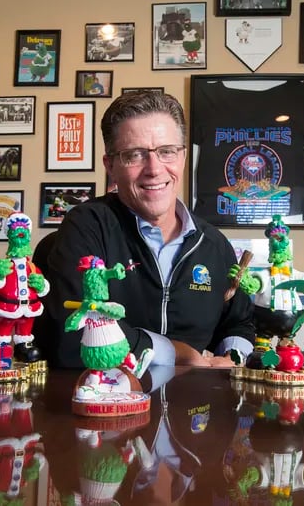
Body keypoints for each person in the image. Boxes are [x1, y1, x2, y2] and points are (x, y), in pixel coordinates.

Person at [34, 91, 254, 369]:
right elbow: (77, 329)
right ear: (110, 166)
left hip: (196, 395)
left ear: (183, 157)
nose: (154, 169)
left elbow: (239, 323)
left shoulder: (213, 243)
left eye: (167, 151)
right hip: (106, 393)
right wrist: (177, 354)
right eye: (134, 155)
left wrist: (233, 357)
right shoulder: (87, 225)